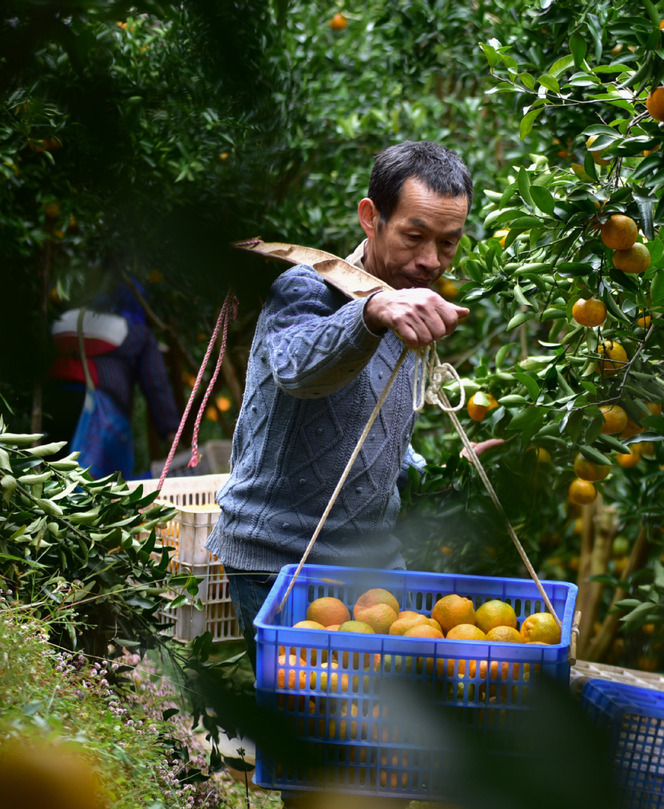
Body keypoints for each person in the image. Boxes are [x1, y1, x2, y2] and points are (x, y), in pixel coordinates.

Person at [206, 141, 476, 666]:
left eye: (448, 243)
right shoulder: (305, 290)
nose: (430, 260)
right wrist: (373, 311)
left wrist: (441, 471)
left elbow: (371, 433)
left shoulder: (407, 300)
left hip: (375, 567)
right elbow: (296, 370)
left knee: (379, 732)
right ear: (371, 218)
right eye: (415, 236)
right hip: (281, 562)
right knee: (310, 725)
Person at [45, 279, 180, 479]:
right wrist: (171, 432)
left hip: (52, 404)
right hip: (98, 410)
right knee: (102, 485)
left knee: (54, 476)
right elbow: (156, 383)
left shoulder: (65, 320)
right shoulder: (135, 331)